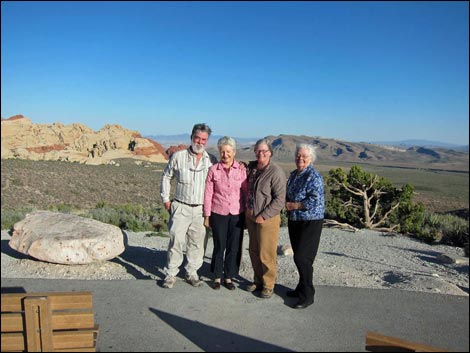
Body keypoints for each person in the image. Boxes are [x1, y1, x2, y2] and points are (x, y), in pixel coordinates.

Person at [160, 123, 218, 288]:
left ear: (207, 141)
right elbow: (166, 176)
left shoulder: (211, 160)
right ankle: (171, 274)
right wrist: (166, 199)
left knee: (198, 242)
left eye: (203, 139)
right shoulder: (178, 157)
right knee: (176, 240)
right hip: (181, 206)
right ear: (191, 137)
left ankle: (192, 272)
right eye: (197, 138)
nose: (200, 142)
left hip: (201, 209)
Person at [203, 136, 248, 290]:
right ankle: (216, 276)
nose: (225, 155)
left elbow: (246, 192)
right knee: (219, 245)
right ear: (219, 152)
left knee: (233, 246)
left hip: (237, 213)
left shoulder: (241, 170)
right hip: (218, 213)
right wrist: (207, 216)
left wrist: (248, 214)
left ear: (234, 152)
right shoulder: (213, 170)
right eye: (222, 152)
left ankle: (229, 277)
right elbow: (208, 194)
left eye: (228, 151)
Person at [245, 139, 286, 299]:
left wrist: (264, 215)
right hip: (251, 217)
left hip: (267, 219)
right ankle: (258, 281)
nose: (261, 153)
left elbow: (279, 199)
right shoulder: (252, 167)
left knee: (266, 253)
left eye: (264, 151)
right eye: (258, 150)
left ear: (270, 152)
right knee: (254, 251)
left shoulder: (275, 172)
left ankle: (268, 285)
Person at [285, 143, 325, 309]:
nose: (300, 159)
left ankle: (308, 293)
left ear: (311, 159)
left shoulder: (313, 176)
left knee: (303, 257)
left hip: (310, 220)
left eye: (304, 156)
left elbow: (315, 199)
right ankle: (301, 287)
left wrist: (295, 205)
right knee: (298, 255)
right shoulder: (295, 174)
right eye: (298, 156)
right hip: (295, 220)